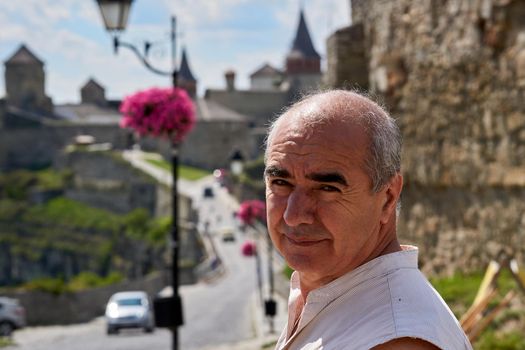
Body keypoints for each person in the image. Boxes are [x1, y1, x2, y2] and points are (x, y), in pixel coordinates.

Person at [264, 90, 472, 350]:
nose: (293, 216)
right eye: (280, 182)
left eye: (327, 188)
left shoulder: (395, 340)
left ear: (387, 197)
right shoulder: (336, 297)